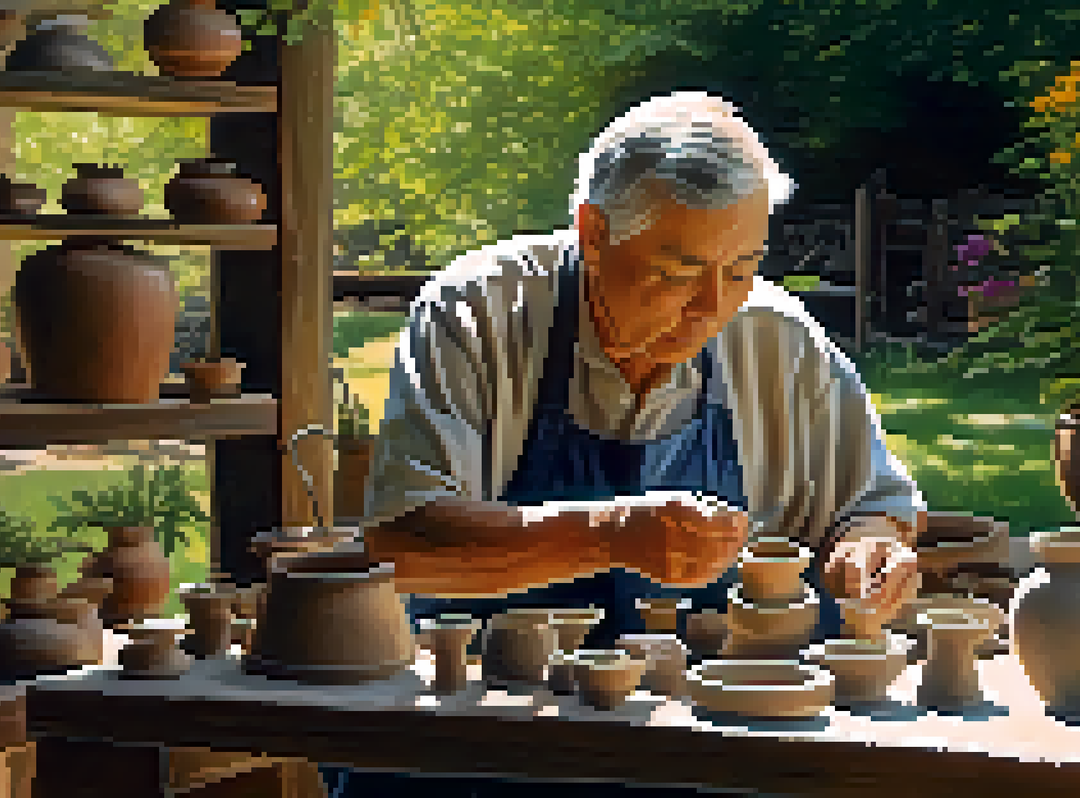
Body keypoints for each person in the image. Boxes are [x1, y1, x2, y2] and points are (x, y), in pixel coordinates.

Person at [328, 91, 928, 797]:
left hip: (703, 745)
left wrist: (869, 547)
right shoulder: (480, 313)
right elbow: (405, 544)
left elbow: (872, 504)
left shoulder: (780, 340)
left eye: (740, 268)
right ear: (592, 232)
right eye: (677, 272)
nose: (713, 305)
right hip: (486, 739)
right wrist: (611, 532)